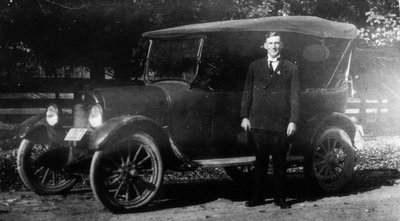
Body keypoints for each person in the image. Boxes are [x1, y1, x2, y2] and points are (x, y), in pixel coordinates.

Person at [241, 32, 299, 209]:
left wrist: (293, 120)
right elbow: (247, 92)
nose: (273, 46)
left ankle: (280, 198)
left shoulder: (291, 68)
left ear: (281, 45)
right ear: (264, 46)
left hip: (280, 123)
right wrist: (244, 116)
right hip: (258, 122)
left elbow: (295, 97)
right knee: (260, 162)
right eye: (270, 43)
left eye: (277, 43)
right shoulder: (255, 66)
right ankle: (258, 197)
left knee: (280, 163)